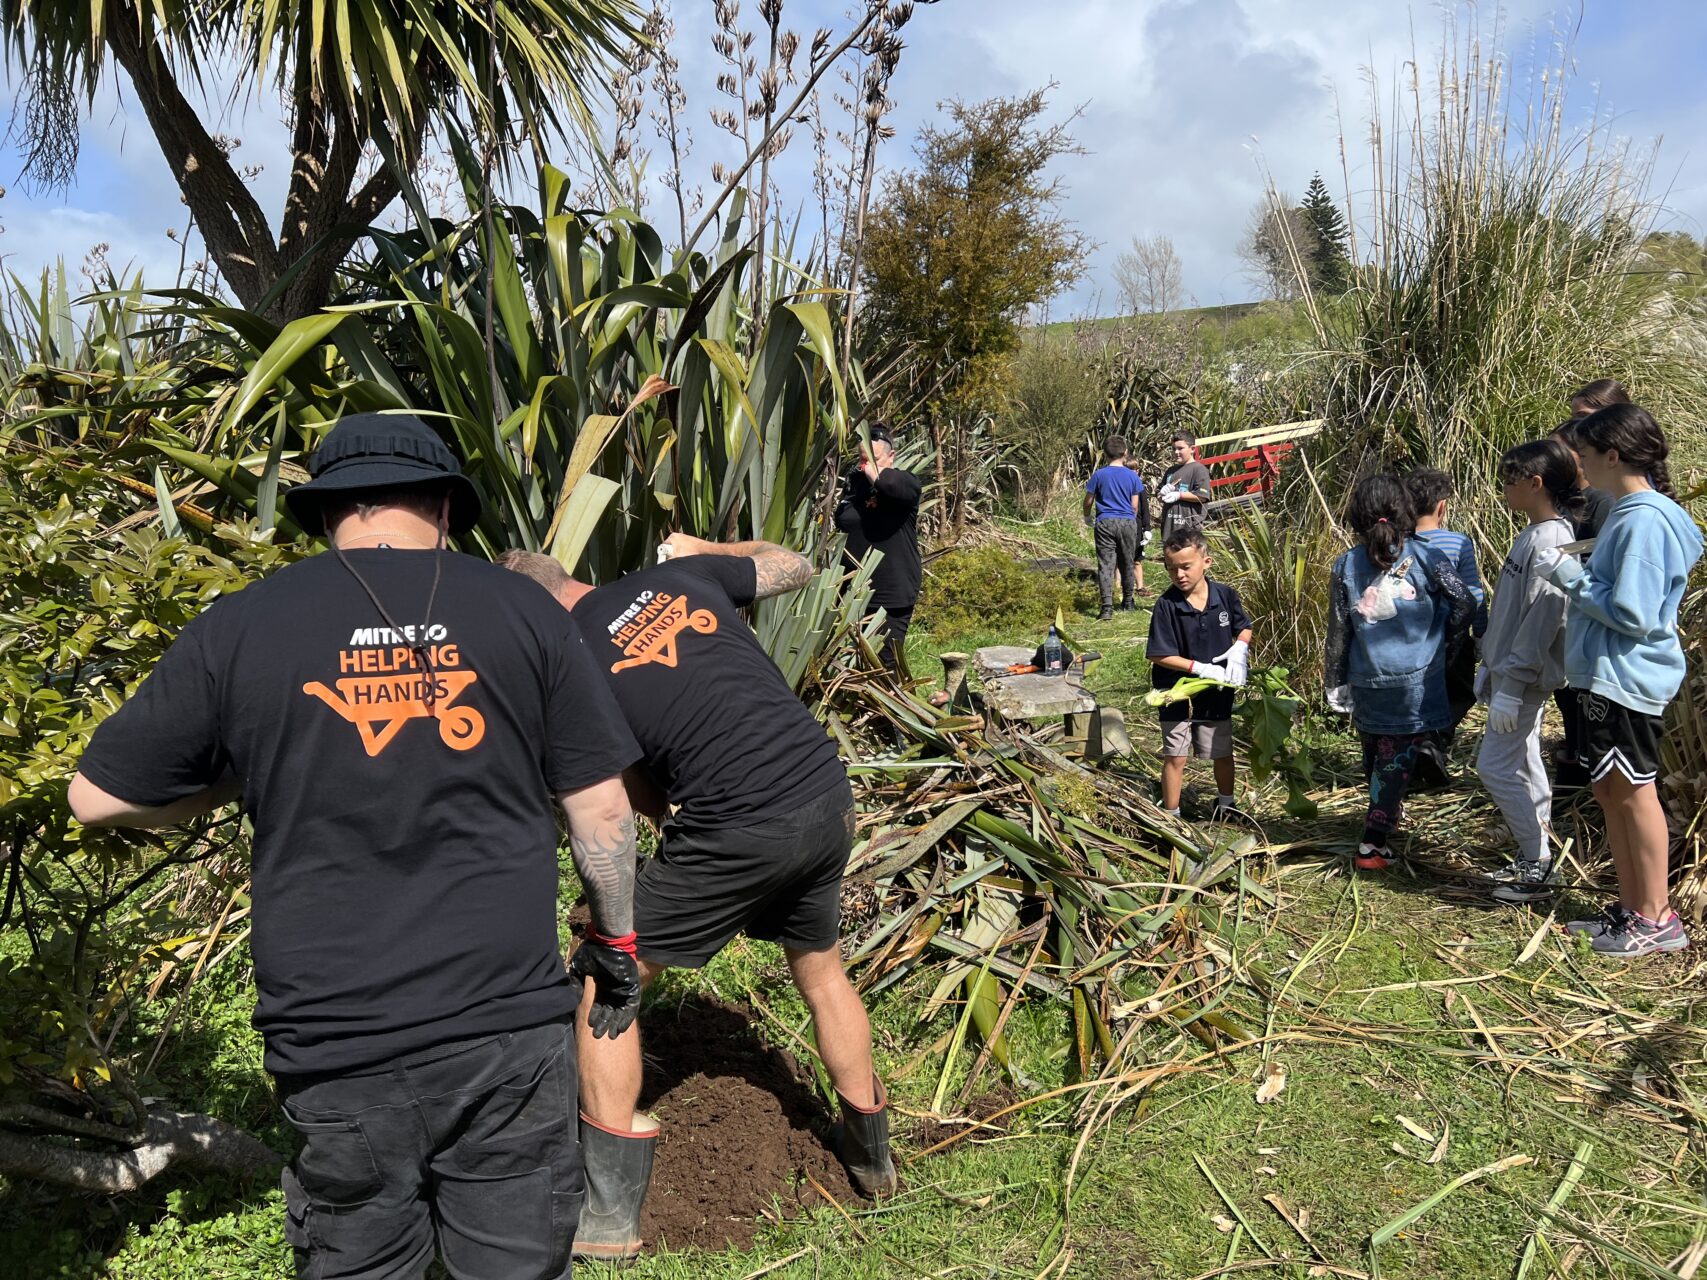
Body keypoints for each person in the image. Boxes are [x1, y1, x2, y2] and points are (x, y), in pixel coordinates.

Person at [67, 413, 644, 1280]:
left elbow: (95, 798)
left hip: (335, 1045)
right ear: (446, 509)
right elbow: (603, 812)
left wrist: (230, 782)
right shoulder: (522, 607)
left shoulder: (243, 623)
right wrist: (616, 941)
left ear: (327, 513)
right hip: (503, 1033)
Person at [498, 535, 896, 1261]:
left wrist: (634, 901)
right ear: (571, 578)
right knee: (821, 972)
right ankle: (871, 1156)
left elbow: (622, 794)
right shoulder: (679, 576)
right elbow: (796, 564)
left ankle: (608, 1217)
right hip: (822, 793)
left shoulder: (566, 661)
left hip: (740, 824)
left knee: (603, 980)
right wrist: (707, 547)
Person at [1535, 404, 1703, 955]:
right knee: (1610, 790)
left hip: (1624, 676)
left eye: (1585, 455)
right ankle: (1633, 909)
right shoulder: (1636, 513)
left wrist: (1570, 577)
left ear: (1613, 455)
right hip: (1607, 674)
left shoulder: (1643, 518)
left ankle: (1657, 919)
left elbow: (1636, 613)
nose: (1579, 465)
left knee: (1633, 791)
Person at [1324, 475, 1474, 870]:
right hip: (1415, 680)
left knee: (1377, 754)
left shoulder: (1346, 564)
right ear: (1406, 511)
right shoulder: (1427, 557)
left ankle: (1384, 813)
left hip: (1368, 678)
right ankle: (1373, 843)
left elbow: (1339, 628)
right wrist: (1447, 645)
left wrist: (1335, 681)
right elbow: (1463, 601)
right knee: (1396, 760)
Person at [1475, 440, 1581, 903]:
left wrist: (1512, 686)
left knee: (1494, 768)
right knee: (1524, 759)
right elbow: (1511, 614)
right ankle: (1541, 855)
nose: (1504, 488)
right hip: (1511, 676)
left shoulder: (1552, 540)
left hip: (1524, 681)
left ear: (1535, 484)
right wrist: (1492, 670)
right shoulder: (1533, 534)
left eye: (1509, 479)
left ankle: (1534, 864)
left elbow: (1542, 620)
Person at [1145, 530, 1253, 820]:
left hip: (1217, 689)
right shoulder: (1167, 605)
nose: (1178, 574)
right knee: (1176, 754)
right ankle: (1172, 814)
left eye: (1185, 566)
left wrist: (1240, 647)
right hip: (1176, 691)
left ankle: (1226, 805)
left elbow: (1244, 626)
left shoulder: (1225, 595)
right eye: (1171, 568)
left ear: (1206, 561)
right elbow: (1158, 653)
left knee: (1221, 749)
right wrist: (1197, 667)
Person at [1403, 468, 1488, 784]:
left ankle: (1420, 748)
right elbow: (1473, 594)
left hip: (1410, 641)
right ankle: (1432, 744)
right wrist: (1481, 633)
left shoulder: (1398, 545)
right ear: (1442, 507)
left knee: (1418, 697)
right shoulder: (1457, 543)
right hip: (1452, 639)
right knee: (1460, 693)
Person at [1548, 415, 1617, 789]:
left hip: (1587, 619)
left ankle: (1582, 778)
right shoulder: (1564, 503)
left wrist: (1566, 566)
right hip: (1565, 619)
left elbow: (1604, 565)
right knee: (1567, 699)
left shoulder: (1602, 503)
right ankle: (1574, 762)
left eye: (1561, 451)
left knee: (1582, 704)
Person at [834, 423, 923, 673]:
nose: (866, 466)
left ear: (892, 456)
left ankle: (892, 711)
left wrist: (874, 473)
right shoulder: (856, 486)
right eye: (863, 460)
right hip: (852, 592)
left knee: (885, 667)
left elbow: (893, 486)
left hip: (890, 594)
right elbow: (843, 519)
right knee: (850, 665)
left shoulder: (906, 482)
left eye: (873, 459)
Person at [1083, 434, 1148, 620]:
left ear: (1105, 454)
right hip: (1127, 521)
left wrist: (1087, 517)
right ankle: (1128, 601)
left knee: (1106, 564)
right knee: (1127, 561)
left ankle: (1106, 607)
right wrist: (1130, 521)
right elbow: (1135, 505)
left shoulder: (1099, 475)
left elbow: (1088, 501)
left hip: (1105, 521)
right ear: (1125, 452)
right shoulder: (1133, 477)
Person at [1158, 431, 1213, 542]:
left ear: (1192, 449)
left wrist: (1179, 495)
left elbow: (1202, 496)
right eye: (1173, 449)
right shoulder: (1170, 471)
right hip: (1169, 527)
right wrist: (1161, 494)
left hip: (1189, 529)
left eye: (1180, 448)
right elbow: (1159, 495)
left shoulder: (1198, 469)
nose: (1176, 452)